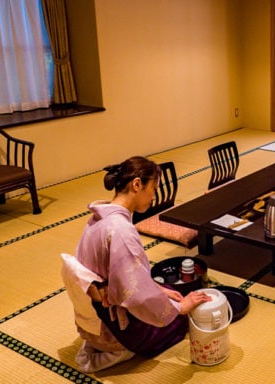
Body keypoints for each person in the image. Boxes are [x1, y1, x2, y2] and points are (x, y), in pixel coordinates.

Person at [65, 156, 211, 372]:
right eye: (153, 188)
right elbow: (136, 296)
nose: (154, 195)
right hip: (113, 327)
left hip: (93, 317)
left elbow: (124, 280)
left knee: (170, 291)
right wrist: (181, 309)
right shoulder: (121, 231)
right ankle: (119, 351)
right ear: (136, 185)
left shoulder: (97, 218)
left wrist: (161, 290)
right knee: (179, 322)